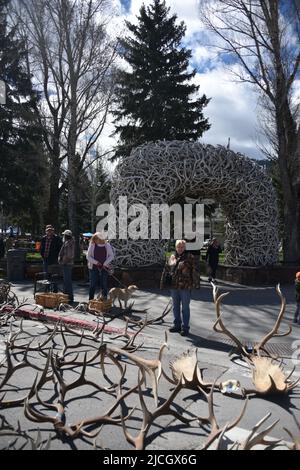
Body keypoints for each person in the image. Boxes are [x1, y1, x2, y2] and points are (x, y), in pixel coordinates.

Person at [160, 239, 200, 337]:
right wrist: (162, 283)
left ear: (185, 248)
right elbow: (166, 270)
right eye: (178, 247)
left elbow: (195, 270)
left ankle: (185, 327)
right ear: (176, 247)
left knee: (185, 308)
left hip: (185, 287)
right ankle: (177, 325)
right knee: (175, 306)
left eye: (182, 247)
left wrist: (196, 283)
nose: (180, 249)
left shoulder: (189, 257)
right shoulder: (172, 257)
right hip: (174, 286)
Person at [86, 232, 114, 300]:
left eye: (97, 238)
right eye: (95, 238)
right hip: (93, 267)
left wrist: (105, 263)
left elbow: (111, 256)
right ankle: (91, 300)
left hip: (104, 267)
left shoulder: (107, 245)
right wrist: (96, 262)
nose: (96, 240)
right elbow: (88, 256)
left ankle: (104, 300)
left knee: (104, 284)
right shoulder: (92, 245)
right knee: (92, 284)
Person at [58, 230, 75, 303]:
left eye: (64, 235)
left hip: (67, 264)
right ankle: (66, 297)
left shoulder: (70, 243)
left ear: (66, 236)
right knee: (66, 281)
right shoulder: (67, 242)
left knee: (67, 282)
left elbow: (69, 255)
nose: (63, 236)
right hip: (66, 263)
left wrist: (63, 262)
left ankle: (69, 298)